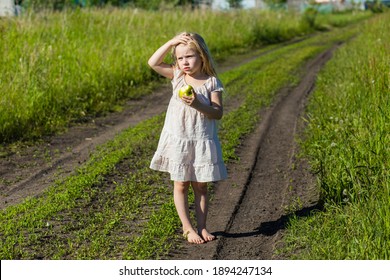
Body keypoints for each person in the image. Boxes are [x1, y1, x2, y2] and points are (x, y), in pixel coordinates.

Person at [148, 32, 227, 244]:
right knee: (181, 184)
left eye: (189, 56)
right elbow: (153, 62)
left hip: (201, 139)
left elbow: (217, 112)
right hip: (180, 140)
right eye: (180, 57)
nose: (184, 62)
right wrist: (172, 42)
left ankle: (202, 227)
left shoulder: (211, 82)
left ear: (202, 56)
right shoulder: (178, 77)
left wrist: (198, 105)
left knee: (201, 186)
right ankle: (187, 227)